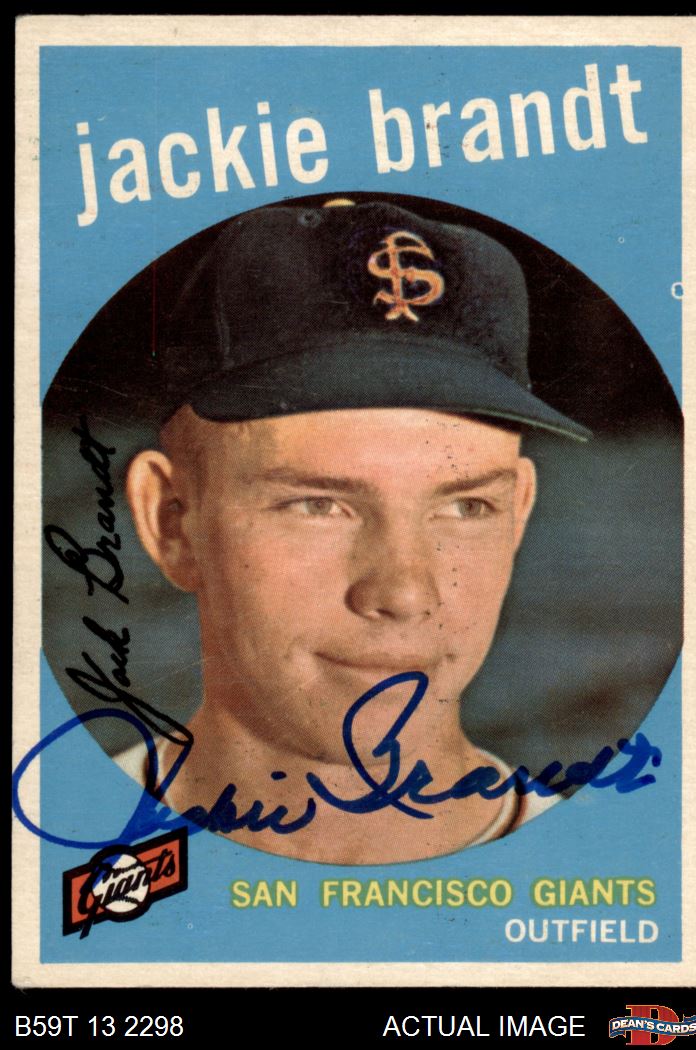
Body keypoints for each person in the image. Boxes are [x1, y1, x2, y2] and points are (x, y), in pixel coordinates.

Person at [116, 197, 590, 864]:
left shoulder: (605, 867)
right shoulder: (49, 844)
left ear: (518, 514)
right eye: (317, 504)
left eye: (465, 507)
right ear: (171, 523)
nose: (403, 593)